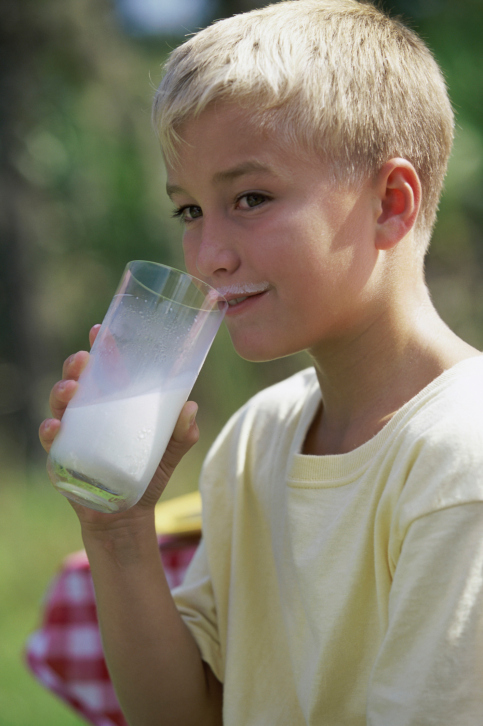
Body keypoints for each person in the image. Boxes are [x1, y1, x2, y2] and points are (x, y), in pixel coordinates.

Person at [39, 1, 483, 724]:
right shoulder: (257, 435)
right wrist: (117, 531)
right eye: (189, 211)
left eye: (250, 198)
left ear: (390, 203)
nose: (208, 255)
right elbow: (189, 713)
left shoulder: (460, 459)